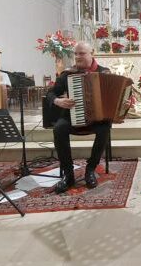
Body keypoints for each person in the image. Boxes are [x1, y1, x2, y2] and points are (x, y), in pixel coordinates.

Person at [46, 42, 111, 194]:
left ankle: (90, 169)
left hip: (97, 119)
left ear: (92, 53)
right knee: (59, 129)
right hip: (71, 116)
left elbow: (118, 95)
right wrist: (58, 101)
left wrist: (124, 102)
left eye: (81, 53)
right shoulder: (68, 74)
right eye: (75, 54)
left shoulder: (104, 73)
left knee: (105, 127)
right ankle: (68, 175)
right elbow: (51, 93)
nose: (77, 57)